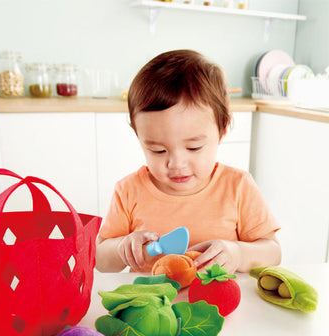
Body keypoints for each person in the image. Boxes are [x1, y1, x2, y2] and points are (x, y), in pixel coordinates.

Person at [95, 49, 281, 274]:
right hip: (151, 304)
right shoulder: (128, 190)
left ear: (222, 130)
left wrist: (238, 253)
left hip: (219, 304)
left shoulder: (238, 186)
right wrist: (122, 249)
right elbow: (101, 260)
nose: (176, 164)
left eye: (193, 148)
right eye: (158, 150)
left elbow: (273, 252)